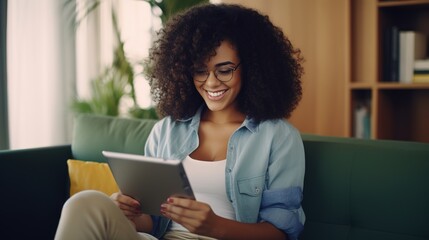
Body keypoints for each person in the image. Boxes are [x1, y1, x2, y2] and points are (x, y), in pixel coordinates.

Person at [55, 3, 305, 240]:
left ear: (252, 68)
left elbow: (282, 232)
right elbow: (154, 222)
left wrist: (216, 226)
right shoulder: (166, 130)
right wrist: (132, 213)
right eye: (200, 70)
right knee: (85, 202)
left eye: (224, 69)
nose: (211, 82)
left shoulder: (278, 137)